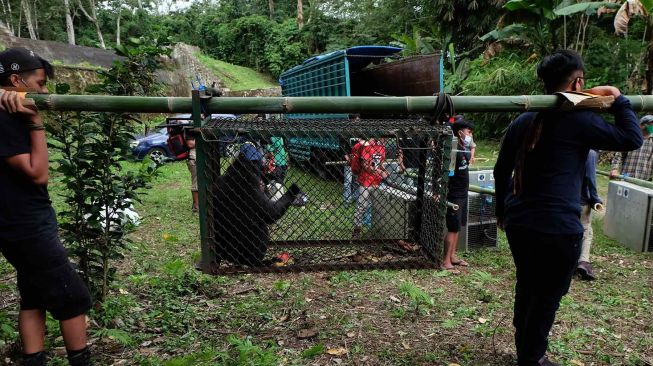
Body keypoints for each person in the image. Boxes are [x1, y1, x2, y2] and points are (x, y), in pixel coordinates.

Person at [494, 49, 642, 366]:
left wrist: (501, 212)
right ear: (578, 82)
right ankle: (532, 359)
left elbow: (499, 170)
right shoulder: (579, 121)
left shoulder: (523, 119)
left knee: (528, 285)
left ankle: (527, 352)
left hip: (520, 221)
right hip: (558, 229)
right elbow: (632, 137)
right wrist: (619, 99)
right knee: (547, 296)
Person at [0, 47, 93, 365]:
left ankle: (33, 361)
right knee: (73, 297)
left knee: (34, 296)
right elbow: (39, 174)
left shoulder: (9, 110)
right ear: (15, 80)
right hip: (24, 224)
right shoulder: (5, 118)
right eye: (39, 84)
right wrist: (36, 122)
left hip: (20, 220)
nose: (44, 91)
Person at [213, 144, 303, 266]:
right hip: (246, 252)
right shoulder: (247, 185)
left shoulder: (222, 181)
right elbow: (272, 214)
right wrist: (291, 193)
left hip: (223, 248)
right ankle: (252, 261)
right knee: (260, 223)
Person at [442, 119, 474, 270]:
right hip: (454, 192)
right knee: (453, 227)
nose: (470, 135)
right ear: (460, 132)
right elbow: (447, 172)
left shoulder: (464, 146)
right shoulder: (453, 147)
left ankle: (453, 256)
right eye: (468, 132)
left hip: (463, 191)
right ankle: (445, 260)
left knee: (458, 227)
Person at [352, 138, 388, 239]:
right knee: (362, 206)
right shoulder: (368, 144)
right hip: (365, 181)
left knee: (379, 206)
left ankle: (378, 230)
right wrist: (378, 172)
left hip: (377, 181)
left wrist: (384, 170)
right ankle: (357, 231)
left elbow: (380, 164)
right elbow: (364, 164)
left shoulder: (382, 147)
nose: (384, 139)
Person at [578, 149, 603, 281]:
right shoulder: (590, 153)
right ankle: (583, 262)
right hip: (581, 200)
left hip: (564, 199)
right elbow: (590, 178)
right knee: (586, 231)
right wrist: (595, 199)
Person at [610, 114, 653, 180]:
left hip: (643, 180)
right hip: (626, 176)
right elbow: (619, 154)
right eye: (651, 124)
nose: (652, 126)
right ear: (642, 125)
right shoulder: (631, 137)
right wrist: (614, 169)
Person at [185, 132, 199, 212]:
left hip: (193, 158)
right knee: (195, 183)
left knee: (197, 182)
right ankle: (196, 206)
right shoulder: (191, 133)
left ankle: (196, 203)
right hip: (193, 159)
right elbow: (190, 144)